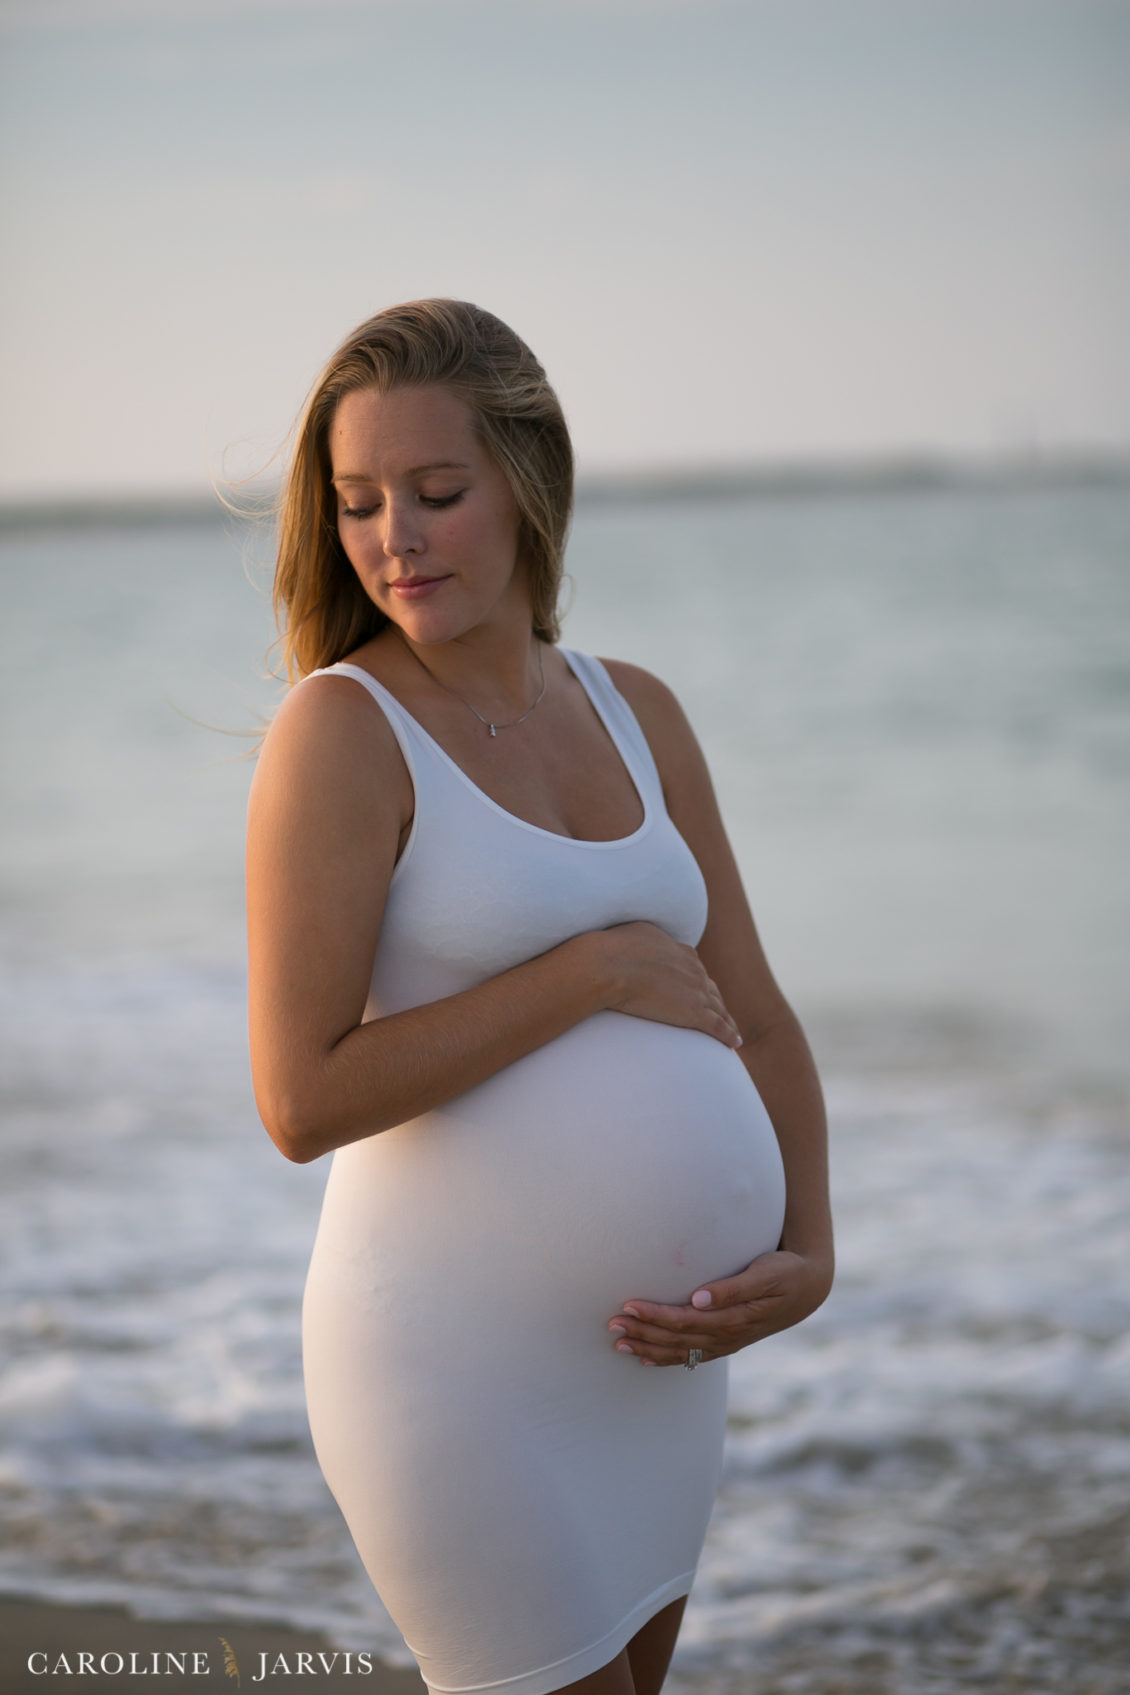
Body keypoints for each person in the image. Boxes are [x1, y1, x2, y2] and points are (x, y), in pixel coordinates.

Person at [246, 299, 833, 1695]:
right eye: (358, 502)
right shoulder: (343, 732)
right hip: (452, 1372)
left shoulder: (637, 709)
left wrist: (808, 1253)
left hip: (653, 1372)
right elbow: (300, 1098)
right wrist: (583, 975)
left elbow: (752, 1012)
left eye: (436, 492)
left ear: (529, 484)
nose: (393, 535)